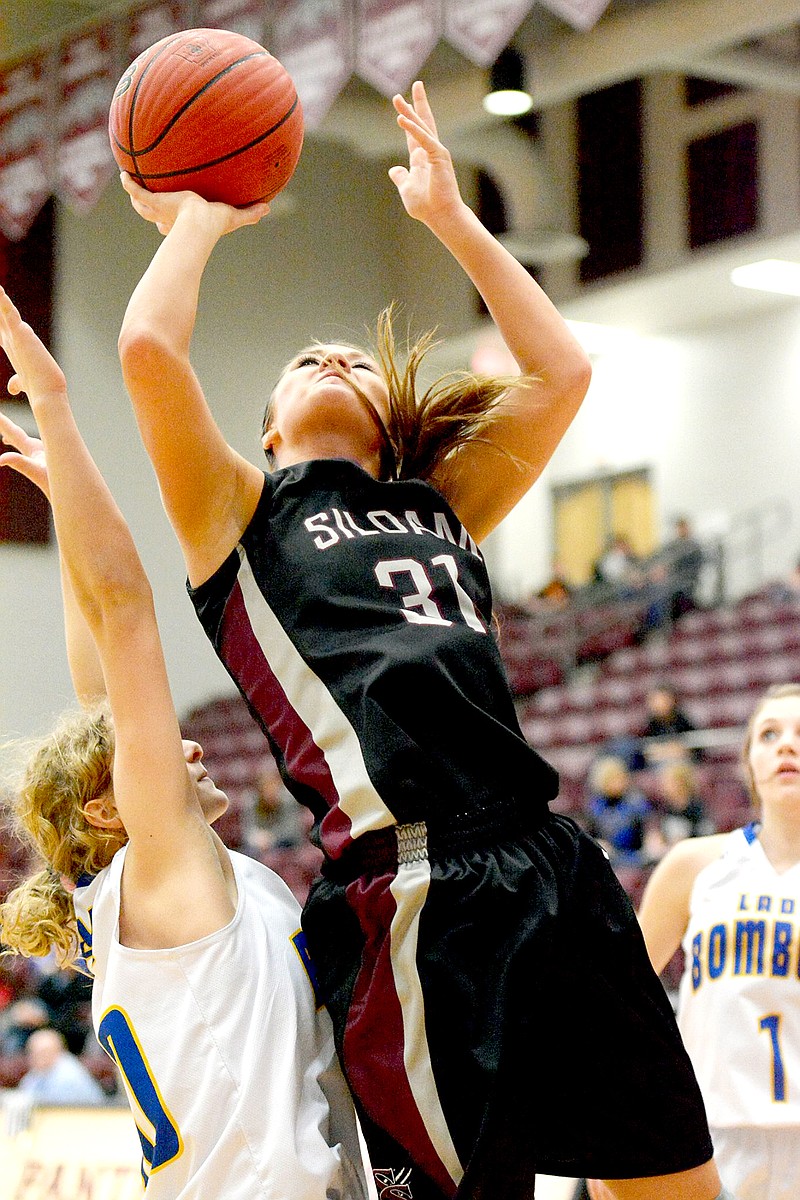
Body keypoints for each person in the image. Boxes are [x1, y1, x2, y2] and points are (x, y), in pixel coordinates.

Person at [116, 81, 727, 1200]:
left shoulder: (439, 498)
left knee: (675, 1184)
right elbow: (150, 351)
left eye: (353, 356)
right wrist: (198, 212)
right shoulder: (238, 515)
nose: (335, 361)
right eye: (307, 360)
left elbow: (561, 372)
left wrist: (452, 220)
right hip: (413, 894)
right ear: (264, 427)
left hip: (551, 863)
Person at [0, 289, 368, 1199]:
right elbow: (124, 614)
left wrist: (61, 490)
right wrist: (54, 397)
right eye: (142, 755)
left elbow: (97, 662)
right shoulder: (164, 872)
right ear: (107, 804)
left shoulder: (130, 895)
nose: (185, 750)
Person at [638, 682, 800, 1200]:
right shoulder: (695, 865)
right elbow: (622, 1006)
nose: (786, 746)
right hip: (710, 1141)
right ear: (749, 763)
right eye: (769, 734)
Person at [584, 755, 651, 867]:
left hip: (636, 858)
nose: (617, 782)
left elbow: (648, 831)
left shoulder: (636, 802)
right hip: (608, 859)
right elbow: (589, 836)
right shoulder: (595, 807)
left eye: (619, 778)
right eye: (611, 779)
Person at [16, 1026, 104, 1107]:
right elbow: (24, 1097)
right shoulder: (37, 1073)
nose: (36, 1057)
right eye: (32, 1052)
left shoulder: (68, 1073)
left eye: (43, 1052)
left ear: (58, 1050)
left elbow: (53, 1107)